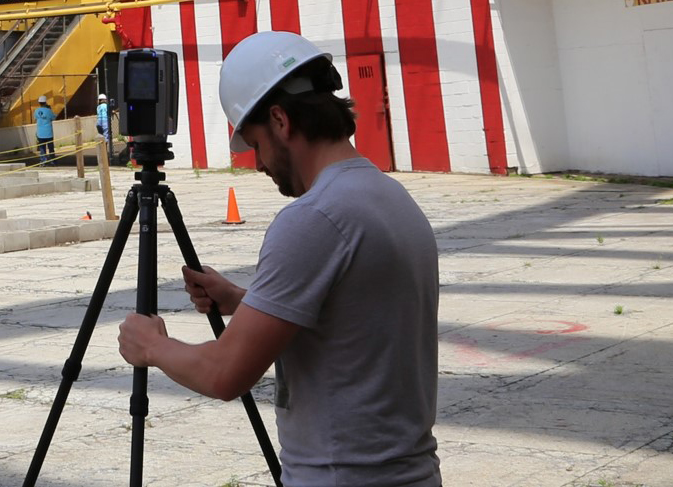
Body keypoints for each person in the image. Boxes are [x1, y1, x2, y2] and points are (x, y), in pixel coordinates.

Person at [118, 31, 441, 486]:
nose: (260, 163)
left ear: (280, 120)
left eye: (255, 144)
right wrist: (243, 300)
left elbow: (224, 373)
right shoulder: (388, 197)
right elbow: (357, 316)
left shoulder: (313, 218)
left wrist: (150, 346)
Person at [34, 96, 56, 164]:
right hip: (48, 133)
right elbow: (53, 117)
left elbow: (35, 119)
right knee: (51, 148)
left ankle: (43, 161)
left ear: (39, 103)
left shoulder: (36, 111)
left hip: (40, 133)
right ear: (45, 102)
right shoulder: (49, 111)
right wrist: (50, 109)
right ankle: (52, 161)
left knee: (42, 148)